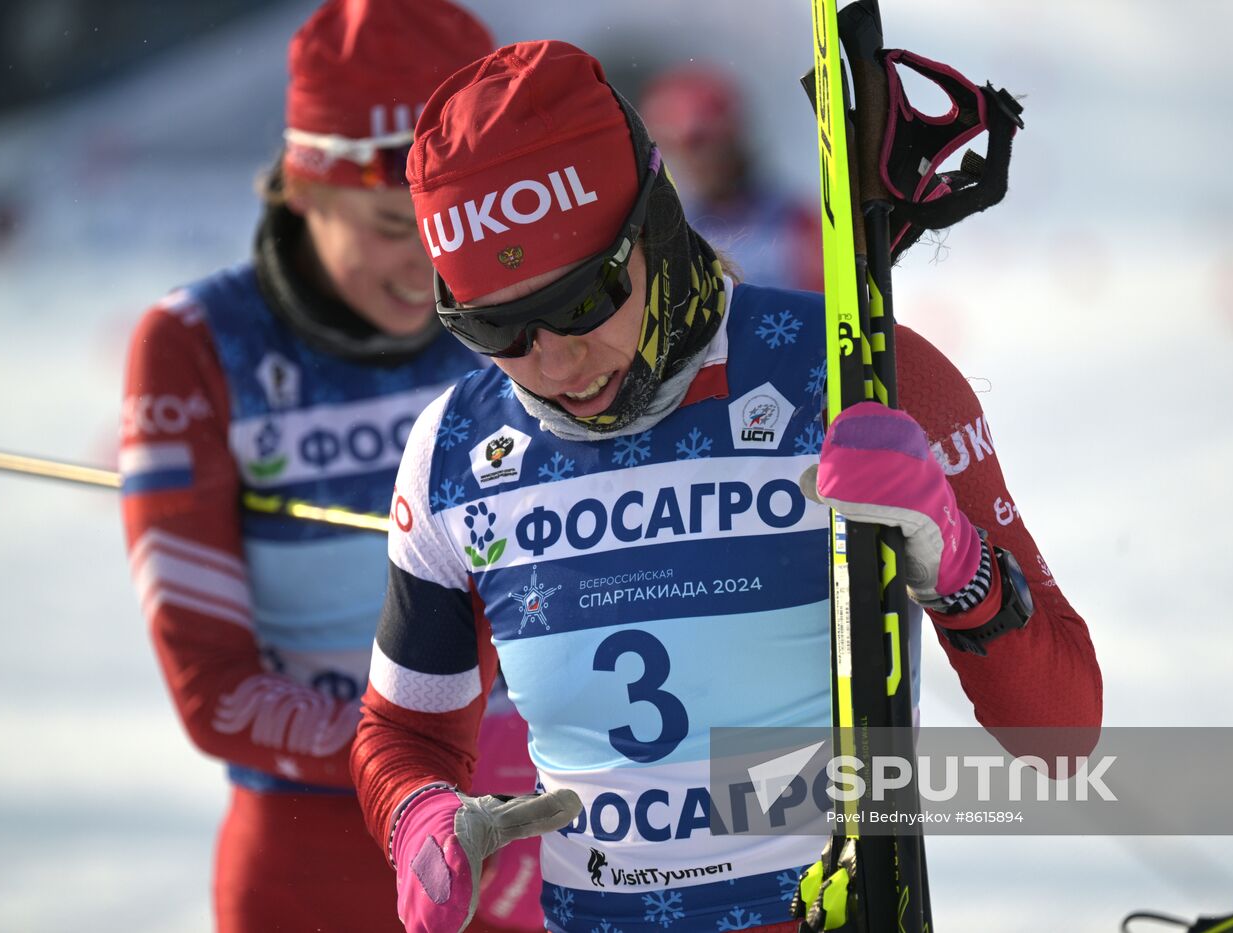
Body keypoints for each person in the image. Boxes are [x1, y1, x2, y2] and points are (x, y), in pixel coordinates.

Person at [352, 41, 1102, 933]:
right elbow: (406, 733)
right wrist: (419, 815)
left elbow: (1063, 736)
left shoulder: (863, 377)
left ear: (656, 227)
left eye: (584, 302)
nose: (552, 361)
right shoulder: (456, 450)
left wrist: (960, 567)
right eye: (496, 330)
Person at [117, 2, 543, 930]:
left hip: (531, 832)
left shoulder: (530, 319)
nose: (433, 266)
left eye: (452, 225)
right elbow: (213, 690)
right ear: (305, 187)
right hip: (314, 859)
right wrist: (442, 766)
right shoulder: (199, 344)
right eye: (396, 222)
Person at [640, 63, 822, 292]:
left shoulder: (795, 221)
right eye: (673, 146)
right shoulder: (652, 232)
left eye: (701, 143)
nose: (693, 161)